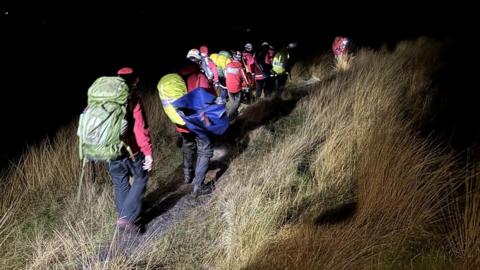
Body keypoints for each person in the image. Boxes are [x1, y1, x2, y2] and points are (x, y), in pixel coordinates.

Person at [108, 67, 153, 232]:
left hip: (108, 150)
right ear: (135, 80)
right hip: (129, 150)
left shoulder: (105, 98)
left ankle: (124, 217)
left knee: (120, 183)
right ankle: (127, 218)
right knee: (141, 177)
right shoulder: (132, 98)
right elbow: (140, 129)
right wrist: (148, 153)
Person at [225, 51, 247, 120]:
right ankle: (229, 116)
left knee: (233, 102)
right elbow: (244, 77)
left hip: (228, 87)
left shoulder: (227, 65)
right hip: (236, 87)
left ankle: (235, 114)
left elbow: (226, 75)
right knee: (236, 103)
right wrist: (246, 84)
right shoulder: (239, 66)